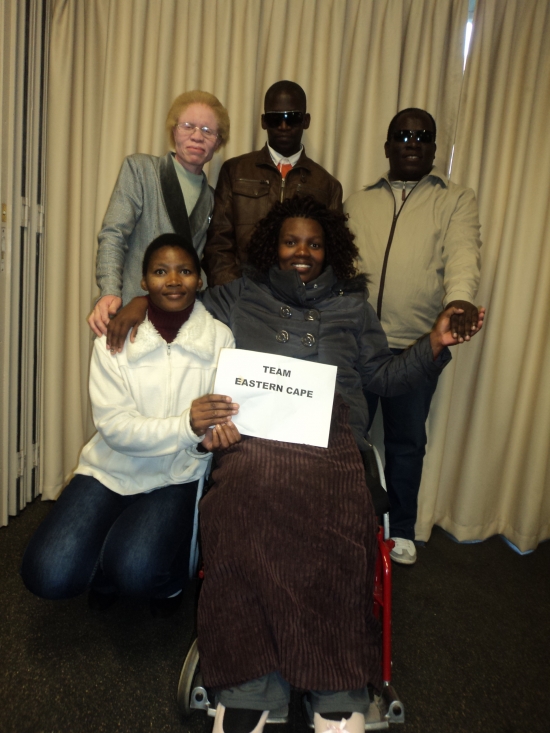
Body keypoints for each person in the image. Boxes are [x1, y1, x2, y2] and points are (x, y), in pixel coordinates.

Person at [105, 196, 484, 731]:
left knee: (337, 517)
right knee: (237, 507)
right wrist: (139, 304)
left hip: (333, 441)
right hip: (254, 436)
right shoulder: (240, 295)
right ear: (273, 248)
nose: (301, 251)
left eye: (313, 242)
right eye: (290, 241)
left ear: (330, 250)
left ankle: (336, 679)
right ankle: (250, 680)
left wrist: (435, 344)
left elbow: (383, 378)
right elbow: (181, 299)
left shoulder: (354, 307)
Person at [22, 234, 238, 617]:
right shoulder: (115, 337)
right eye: (160, 271)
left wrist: (204, 442)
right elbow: (116, 427)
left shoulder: (221, 339)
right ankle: (110, 564)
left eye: (185, 271)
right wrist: (187, 425)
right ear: (143, 282)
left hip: (175, 476)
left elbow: (215, 426)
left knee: (135, 569)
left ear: (200, 279)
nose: (173, 280)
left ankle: (161, 576)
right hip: (110, 470)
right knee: (47, 575)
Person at [344, 108, 482, 565]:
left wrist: (459, 301)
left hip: (417, 345)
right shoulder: (357, 203)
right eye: (402, 135)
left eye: (422, 137)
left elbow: (463, 255)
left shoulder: (456, 200)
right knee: (348, 437)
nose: (411, 142)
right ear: (387, 146)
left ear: (434, 147)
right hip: (358, 343)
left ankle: (401, 530)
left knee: (406, 442)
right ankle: (347, 522)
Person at [87, 90, 230, 337]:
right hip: (130, 313)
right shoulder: (141, 170)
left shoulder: (212, 198)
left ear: (218, 142)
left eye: (208, 131)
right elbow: (113, 235)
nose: (197, 136)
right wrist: (110, 292)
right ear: (174, 131)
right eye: (188, 126)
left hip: (182, 321)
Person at [201, 80, 343, 286]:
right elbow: (218, 244)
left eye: (292, 118)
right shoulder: (235, 171)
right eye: (275, 119)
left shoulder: (327, 185)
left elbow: (332, 255)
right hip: (241, 296)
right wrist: (235, 295)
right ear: (264, 121)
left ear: (306, 121)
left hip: (300, 304)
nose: (283, 126)